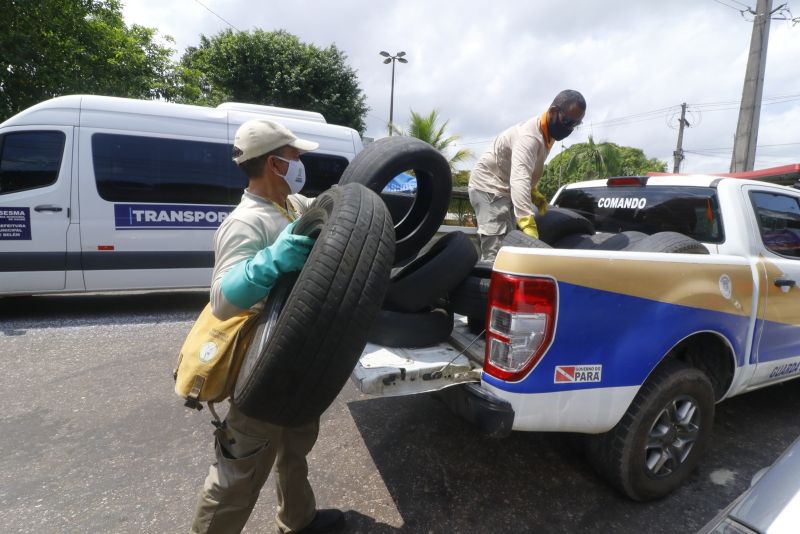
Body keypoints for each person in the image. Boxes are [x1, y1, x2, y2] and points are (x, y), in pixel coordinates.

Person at [191, 119, 345, 534]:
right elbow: (222, 301)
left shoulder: (293, 206)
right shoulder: (246, 222)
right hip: (261, 363)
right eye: (296, 157)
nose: (301, 164)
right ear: (276, 164)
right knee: (240, 467)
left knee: (296, 446)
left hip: (300, 352)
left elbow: (343, 216)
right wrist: (273, 259)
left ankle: (298, 520)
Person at [468, 90, 586, 260]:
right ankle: (488, 280)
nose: (570, 129)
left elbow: (525, 169)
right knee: (495, 250)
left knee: (508, 242)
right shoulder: (529, 137)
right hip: (488, 187)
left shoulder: (548, 134)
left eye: (576, 124)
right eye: (568, 121)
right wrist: (527, 222)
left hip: (505, 186)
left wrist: (533, 191)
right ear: (553, 112)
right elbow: (519, 179)